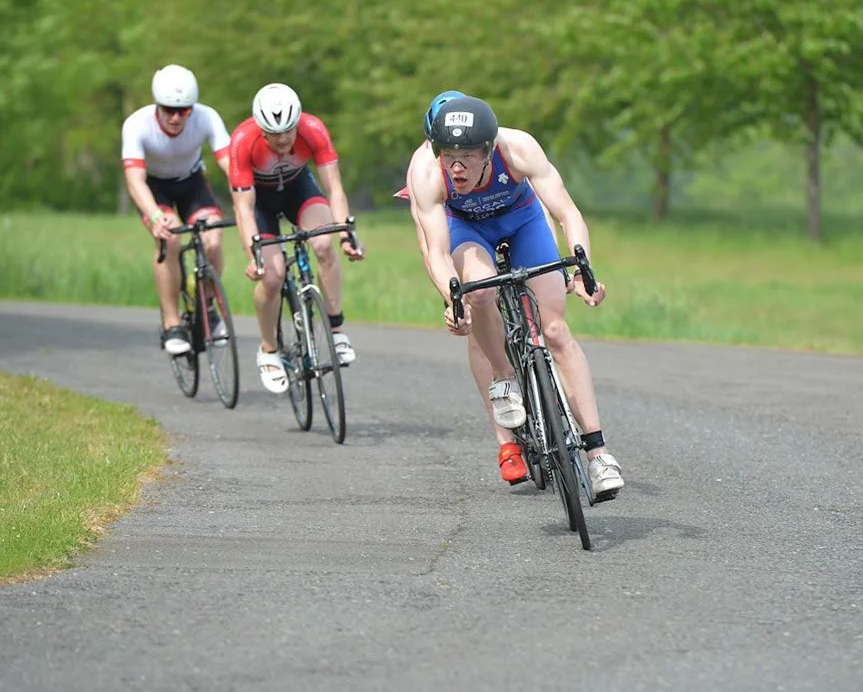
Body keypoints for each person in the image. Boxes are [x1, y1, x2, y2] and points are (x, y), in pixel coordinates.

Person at [405, 94, 624, 499]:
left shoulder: (518, 147)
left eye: (469, 155)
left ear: (489, 150)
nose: (457, 166)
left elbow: (567, 213)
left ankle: (598, 454)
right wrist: (452, 298)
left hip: (522, 221)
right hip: (466, 231)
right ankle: (505, 378)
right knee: (482, 292)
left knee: (555, 329)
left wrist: (583, 270)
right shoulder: (425, 171)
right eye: (449, 154)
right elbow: (434, 250)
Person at [227, 82, 365, 394]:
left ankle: (337, 329)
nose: (282, 138)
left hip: (297, 188)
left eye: (288, 130)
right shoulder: (242, 141)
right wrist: (254, 255)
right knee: (273, 276)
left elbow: (335, 189)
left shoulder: (313, 129)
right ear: (260, 128)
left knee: (323, 244)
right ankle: (269, 350)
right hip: (259, 202)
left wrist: (346, 233)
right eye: (273, 133)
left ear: (297, 120)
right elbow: (244, 209)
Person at [121, 64, 232, 355]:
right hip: (154, 188)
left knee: (213, 237)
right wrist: (156, 217)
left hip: (191, 182)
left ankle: (207, 306)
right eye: (168, 109)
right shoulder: (137, 124)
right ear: (157, 105)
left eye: (183, 111)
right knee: (168, 239)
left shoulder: (207, 117)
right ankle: (172, 323)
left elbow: (229, 163)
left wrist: (250, 195)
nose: (175, 117)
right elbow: (135, 181)